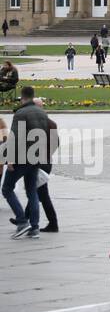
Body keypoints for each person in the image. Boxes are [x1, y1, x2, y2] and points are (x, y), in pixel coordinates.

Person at [4, 87, 51, 238]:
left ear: (22, 97)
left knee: (7, 189)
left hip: (22, 157)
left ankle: (22, 221)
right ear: (33, 96)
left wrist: (10, 158)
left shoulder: (20, 113)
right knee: (32, 191)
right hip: (37, 157)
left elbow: (14, 136)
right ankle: (35, 227)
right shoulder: (42, 113)